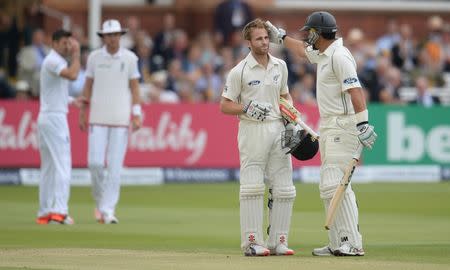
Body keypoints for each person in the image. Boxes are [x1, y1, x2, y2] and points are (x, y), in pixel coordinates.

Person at [266, 11, 377, 256]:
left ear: (318, 33)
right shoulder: (325, 53)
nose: (307, 37)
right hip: (329, 125)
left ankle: (352, 243)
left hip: (343, 125)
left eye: (310, 32)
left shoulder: (339, 56)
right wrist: (281, 37)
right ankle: (338, 241)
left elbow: (355, 90)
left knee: (336, 184)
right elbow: (302, 50)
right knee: (328, 187)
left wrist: (363, 124)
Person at [220, 18, 296, 256]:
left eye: (266, 38)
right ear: (249, 42)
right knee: (252, 187)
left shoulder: (280, 66)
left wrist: (289, 110)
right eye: (259, 39)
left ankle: (278, 241)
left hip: (278, 128)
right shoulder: (239, 71)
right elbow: (225, 105)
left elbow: (285, 95)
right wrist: (246, 108)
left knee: (284, 187)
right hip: (252, 129)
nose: (264, 42)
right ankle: (252, 242)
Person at [79, 19, 142, 224]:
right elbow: (87, 85)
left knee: (114, 168)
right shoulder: (94, 58)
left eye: (116, 35)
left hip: (121, 118)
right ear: (103, 37)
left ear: (120, 36)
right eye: (109, 35)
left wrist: (137, 113)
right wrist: (82, 112)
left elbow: (134, 87)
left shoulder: (130, 58)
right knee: (95, 163)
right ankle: (100, 202)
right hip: (97, 117)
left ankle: (107, 210)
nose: (113, 38)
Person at [36, 29, 82, 225]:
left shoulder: (54, 61)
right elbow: (72, 76)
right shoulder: (53, 60)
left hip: (48, 116)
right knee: (63, 165)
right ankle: (59, 212)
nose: (67, 46)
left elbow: (54, 91)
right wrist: (77, 55)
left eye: (69, 42)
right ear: (54, 43)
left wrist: (72, 101)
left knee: (48, 167)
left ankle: (45, 212)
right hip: (55, 119)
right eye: (64, 42)